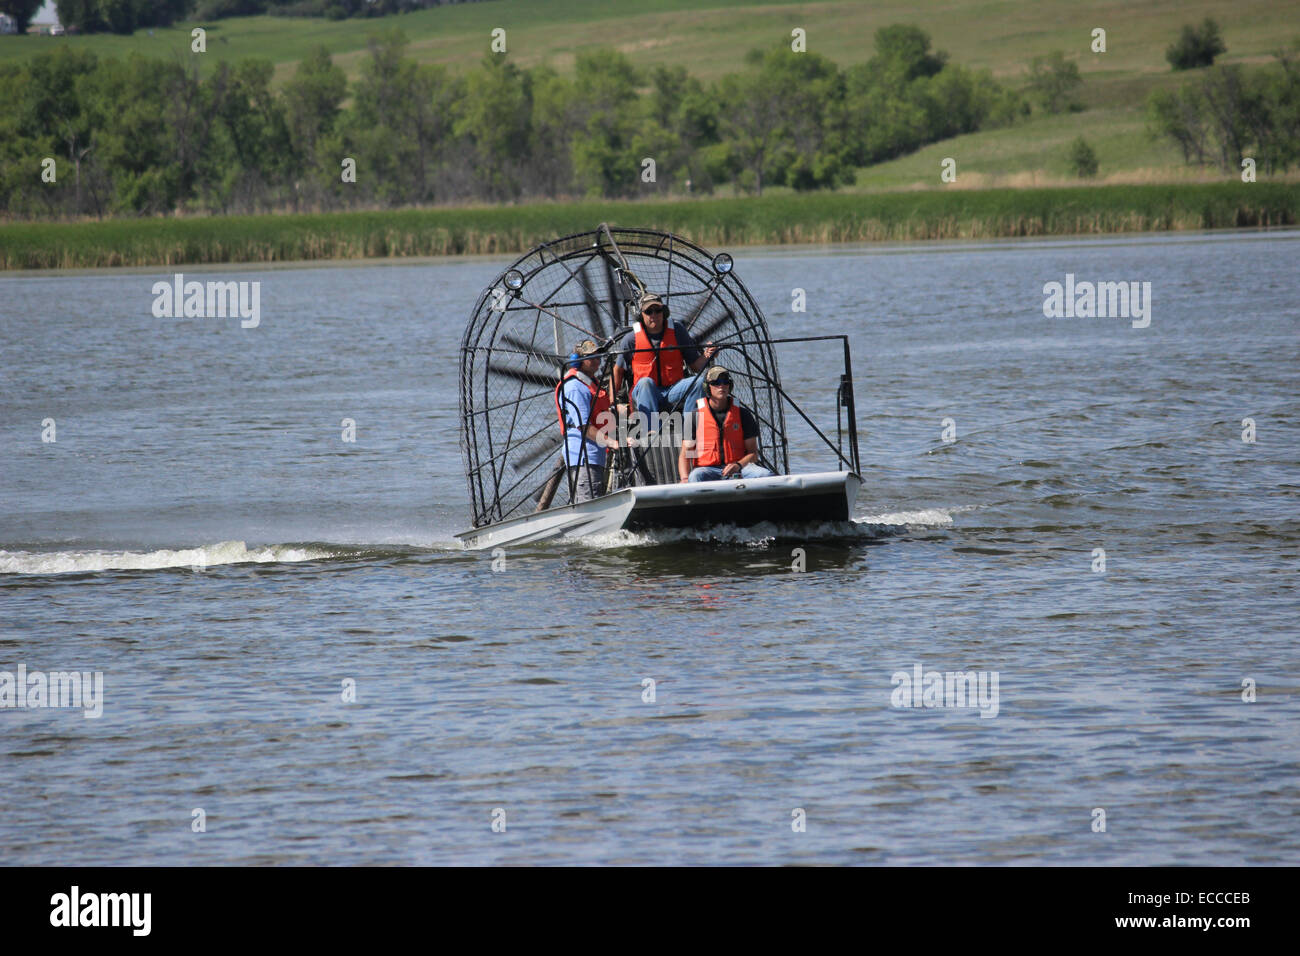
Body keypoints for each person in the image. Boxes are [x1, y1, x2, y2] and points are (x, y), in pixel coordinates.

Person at [611, 292, 718, 434]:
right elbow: (617, 371)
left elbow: (696, 366)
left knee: (699, 382)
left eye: (658, 310)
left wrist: (708, 355)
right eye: (648, 311)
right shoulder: (631, 339)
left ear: (664, 312)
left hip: (673, 390)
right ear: (641, 315)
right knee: (646, 382)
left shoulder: (678, 331)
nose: (653, 315)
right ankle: (652, 431)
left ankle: (690, 428)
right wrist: (613, 404)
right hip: (644, 393)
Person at [679, 365, 775, 482]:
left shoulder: (743, 414)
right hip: (707, 470)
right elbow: (685, 454)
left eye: (725, 382)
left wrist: (738, 465)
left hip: (739, 468)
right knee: (695, 476)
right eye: (716, 382)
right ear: (707, 387)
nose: (722, 386)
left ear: (730, 385)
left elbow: (753, 454)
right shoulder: (693, 416)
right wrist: (684, 479)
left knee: (766, 475)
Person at [555, 339, 618, 503]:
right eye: (591, 357)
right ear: (578, 360)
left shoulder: (591, 383)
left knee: (593, 502)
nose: (597, 360)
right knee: (589, 505)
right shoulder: (575, 387)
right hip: (584, 457)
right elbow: (584, 427)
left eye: (598, 356)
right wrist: (611, 442)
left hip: (594, 455)